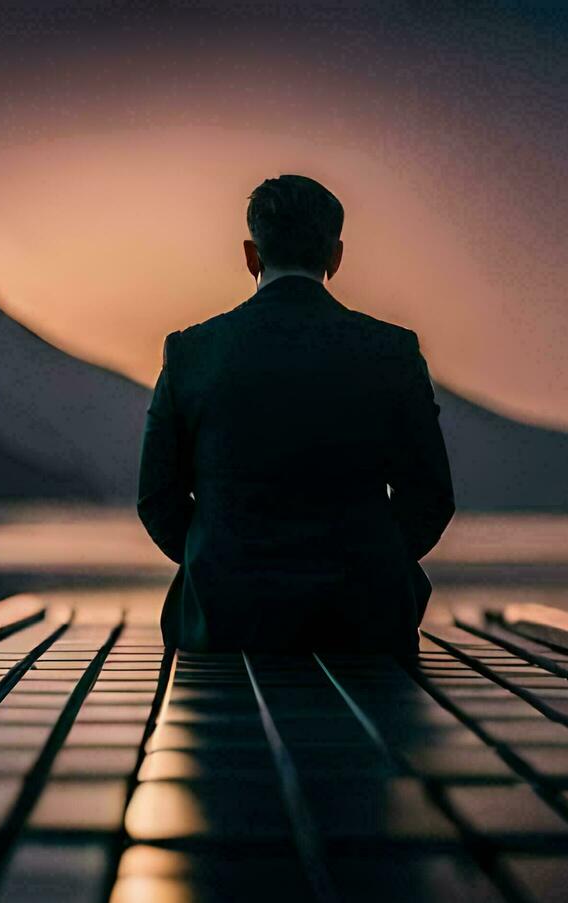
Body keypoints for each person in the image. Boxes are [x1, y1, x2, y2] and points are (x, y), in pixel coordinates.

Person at [137, 174, 454, 654]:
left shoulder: (191, 352)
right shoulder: (393, 351)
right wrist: (371, 561)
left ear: (251, 254)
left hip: (226, 621)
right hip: (362, 622)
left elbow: (157, 497)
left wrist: (222, 554)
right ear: (336, 256)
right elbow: (430, 496)